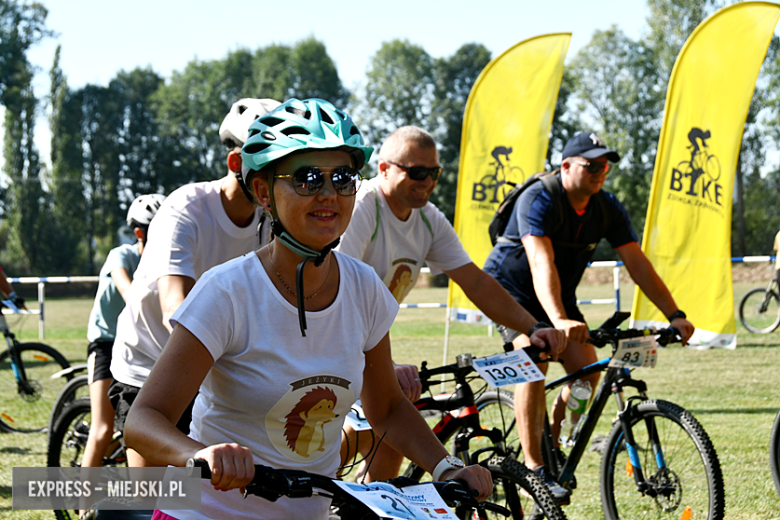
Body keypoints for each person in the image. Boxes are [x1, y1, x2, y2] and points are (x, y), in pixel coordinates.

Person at [123, 98, 493, 520]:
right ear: (264, 192)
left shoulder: (365, 288)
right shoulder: (227, 292)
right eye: (308, 178)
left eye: (344, 178)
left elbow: (387, 407)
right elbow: (143, 419)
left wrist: (447, 466)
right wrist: (201, 453)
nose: (329, 195)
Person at [336, 125, 566, 481]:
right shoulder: (365, 205)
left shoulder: (428, 219)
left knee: (393, 438)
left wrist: (533, 327)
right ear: (384, 169)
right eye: (416, 172)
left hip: (370, 342)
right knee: (339, 449)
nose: (427, 181)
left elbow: (475, 281)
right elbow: (336, 288)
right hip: (332, 337)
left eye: (434, 172)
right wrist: (387, 365)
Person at [483, 131, 696, 501]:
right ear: (566, 166)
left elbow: (638, 264)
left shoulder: (606, 207)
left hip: (558, 298)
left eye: (605, 166)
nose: (600, 171)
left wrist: (675, 314)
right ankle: (534, 469)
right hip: (511, 292)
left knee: (590, 370)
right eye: (591, 165)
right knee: (534, 362)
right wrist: (556, 322)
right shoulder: (541, 197)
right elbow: (539, 260)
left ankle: (552, 437)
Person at [110, 98, 280, 468]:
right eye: (274, 167)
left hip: (209, 370)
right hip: (149, 364)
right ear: (237, 164)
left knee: (207, 493)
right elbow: (176, 307)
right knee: (152, 499)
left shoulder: (270, 220)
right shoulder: (186, 209)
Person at [81, 194, 165, 473]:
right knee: (103, 429)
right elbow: (129, 293)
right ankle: (83, 510)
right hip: (107, 342)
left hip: (141, 347)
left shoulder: (167, 262)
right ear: (139, 232)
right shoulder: (121, 255)